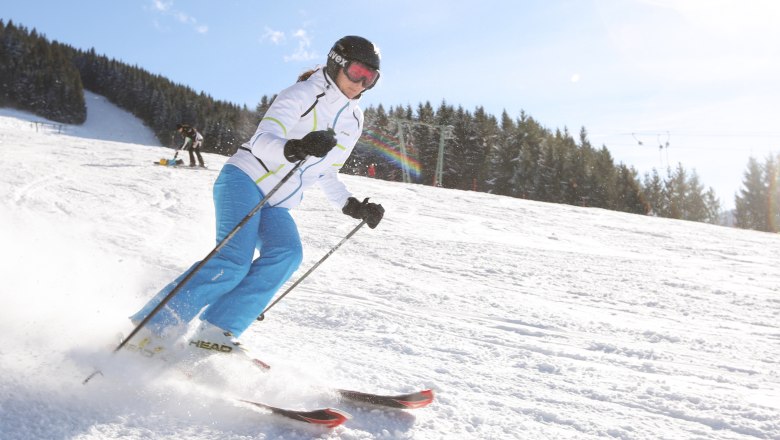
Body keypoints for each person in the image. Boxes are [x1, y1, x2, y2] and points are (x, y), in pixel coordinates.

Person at [128, 36, 385, 359]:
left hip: (279, 200)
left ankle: (215, 332)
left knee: (287, 254)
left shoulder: (354, 119)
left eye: (371, 77)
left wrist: (352, 205)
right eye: (357, 71)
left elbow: (327, 172)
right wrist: (296, 148)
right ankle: (152, 328)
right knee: (233, 261)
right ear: (336, 63)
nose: (361, 83)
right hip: (245, 179)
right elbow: (263, 139)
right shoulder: (303, 93)